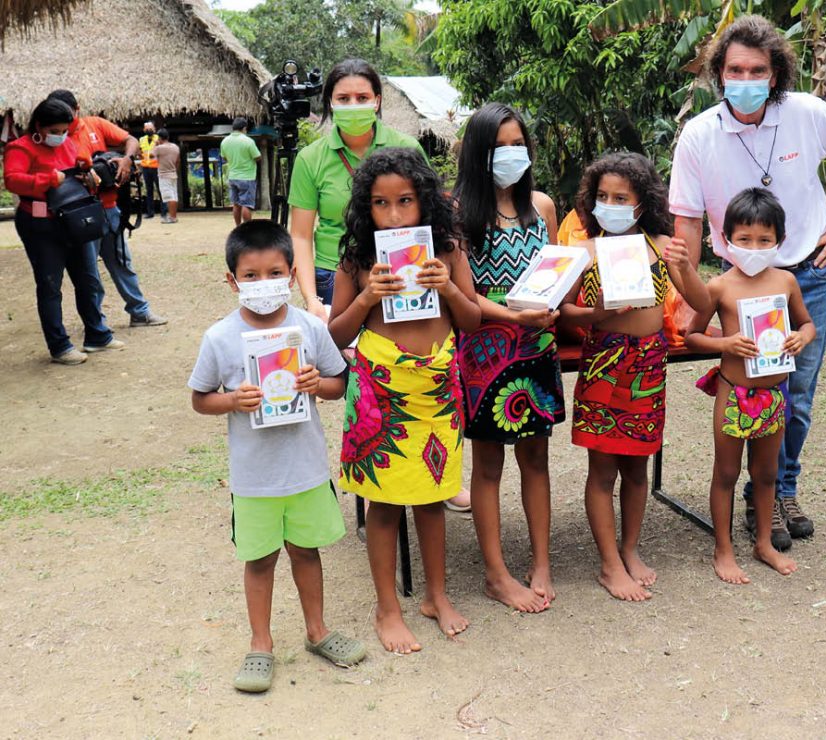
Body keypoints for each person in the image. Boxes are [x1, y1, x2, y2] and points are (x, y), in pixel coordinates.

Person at [669, 15, 826, 550]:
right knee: (748, 380)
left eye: (758, 69)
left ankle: (781, 490)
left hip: (805, 271)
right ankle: (761, 497)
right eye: (735, 69)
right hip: (736, 276)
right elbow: (685, 219)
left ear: (776, 74)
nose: (746, 78)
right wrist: (685, 284)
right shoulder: (700, 134)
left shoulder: (807, 113)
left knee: (795, 393)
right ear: (719, 74)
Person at [188, 220, 366, 693]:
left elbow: (339, 382)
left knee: (306, 551)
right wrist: (232, 401)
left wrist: (316, 385)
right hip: (254, 478)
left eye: (273, 272)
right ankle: (260, 643)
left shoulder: (309, 327)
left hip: (304, 470)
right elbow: (200, 397)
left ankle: (317, 630)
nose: (262, 283)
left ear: (290, 274)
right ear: (232, 280)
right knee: (260, 558)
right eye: (250, 275)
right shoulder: (219, 338)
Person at [328, 148, 481, 654]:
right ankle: (386, 607)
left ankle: (436, 596)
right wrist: (367, 297)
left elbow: (473, 320)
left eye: (406, 201)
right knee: (386, 503)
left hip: (436, 391)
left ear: (425, 202)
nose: (394, 215)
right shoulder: (356, 260)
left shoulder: (449, 251)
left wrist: (449, 291)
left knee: (433, 497)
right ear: (364, 207)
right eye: (380, 203)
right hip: (381, 396)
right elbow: (336, 334)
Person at [559, 152, 710, 602]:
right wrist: (595, 312)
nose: (610, 204)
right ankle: (609, 563)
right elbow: (562, 310)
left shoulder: (663, 246)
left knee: (638, 467)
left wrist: (683, 268)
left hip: (647, 366)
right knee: (603, 468)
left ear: (642, 201)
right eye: (602, 196)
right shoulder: (583, 250)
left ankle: (629, 549)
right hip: (603, 364)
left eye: (621, 197)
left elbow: (702, 302)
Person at [453, 103, 561, 613]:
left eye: (520, 145)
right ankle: (496, 573)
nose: (512, 154)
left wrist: (552, 307)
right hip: (486, 348)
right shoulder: (457, 214)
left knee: (537, 457)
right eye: (501, 147)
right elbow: (465, 296)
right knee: (489, 464)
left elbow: (555, 270)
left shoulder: (543, 205)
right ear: (479, 153)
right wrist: (515, 318)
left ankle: (541, 561)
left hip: (537, 346)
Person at [685, 188, 816, 583]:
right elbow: (692, 336)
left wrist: (803, 337)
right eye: (744, 239)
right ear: (726, 240)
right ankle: (723, 550)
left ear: (780, 240)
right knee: (725, 473)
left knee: (765, 474)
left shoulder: (787, 281)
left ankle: (764, 543)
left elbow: (806, 323)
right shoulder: (720, 286)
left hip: (774, 394)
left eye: (764, 240)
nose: (754, 247)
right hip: (733, 392)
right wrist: (724, 343)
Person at [289, 58, 426, 318]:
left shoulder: (408, 149)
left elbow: (427, 218)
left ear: (377, 101)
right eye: (344, 98)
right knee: (341, 357)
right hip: (332, 276)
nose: (353, 105)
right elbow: (301, 235)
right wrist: (311, 298)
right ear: (330, 102)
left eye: (362, 97)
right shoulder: (310, 158)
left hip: (400, 269)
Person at [3, 98, 122, 364]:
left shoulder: (67, 143)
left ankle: (97, 335)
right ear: (38, 126)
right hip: (39, 223)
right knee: (50, 285)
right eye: (54, 131)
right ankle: (59, 346)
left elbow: (76, 172)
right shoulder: (19, 148)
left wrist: (86, 173)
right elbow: (12, 180)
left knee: (87, 278)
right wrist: (46, 179)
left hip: (73, 219)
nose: (60, 136)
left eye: (64, 131)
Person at [47, 90, 167, 328]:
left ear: (77, 109)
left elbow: (130, 140)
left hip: (110, 208)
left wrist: (126, 159)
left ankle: (139, 311)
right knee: (89, 272)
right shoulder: (54, 138)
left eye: (67, 113)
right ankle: (97, 324)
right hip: (80, 214)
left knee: (122, 262)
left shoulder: (95, 124)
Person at [220, 117, 261, 225]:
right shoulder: (248, 141)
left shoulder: (225, 141)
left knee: (236, 204)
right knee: (246, 205)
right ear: (244, 128)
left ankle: (238, 227)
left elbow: (224, 157)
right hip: (247, 177)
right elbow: (257, 157)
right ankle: (246, 229)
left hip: (232, 176)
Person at [152, 128, 180, 223]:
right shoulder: (175, 147)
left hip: (164, 175)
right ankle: (174, 216)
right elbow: (178, 161)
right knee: (174, 196)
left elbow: (151, 156)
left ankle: (172, 217)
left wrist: (155, 145)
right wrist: (175, 170)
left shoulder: (159, 148)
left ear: (159, 138)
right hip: (173, 174)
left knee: (169, 197)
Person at [138, 122, 163, 218]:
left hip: (156, 167)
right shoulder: (141, 139)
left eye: (151, 128)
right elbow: (140, 151)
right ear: (144, 130)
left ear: (154, 129)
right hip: (145, 167)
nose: (149, 130)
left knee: (160, 189)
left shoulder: (158, 138)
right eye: (147, 128)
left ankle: (164, 212)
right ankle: (150, 212)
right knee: (149, 190)